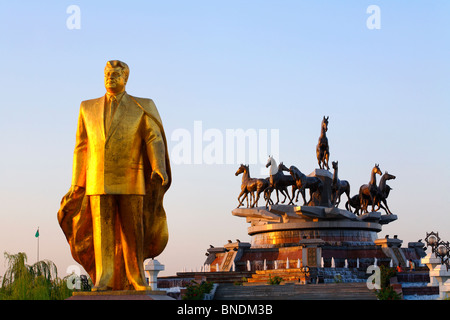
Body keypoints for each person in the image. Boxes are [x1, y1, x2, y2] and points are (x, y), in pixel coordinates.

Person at [58, 60, 171, 291]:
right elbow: (81, 147)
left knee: (133, 233)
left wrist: (158, 165)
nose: (109, 77)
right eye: (107, 74)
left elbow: (153, 137)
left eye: (115, 74)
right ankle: (105, 277)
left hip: (131, 179)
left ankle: (136, 277)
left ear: (125, 78)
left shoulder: (141, 106)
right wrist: (77, 183)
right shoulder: (87, 107)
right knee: (102, 233)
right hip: (97, 181)